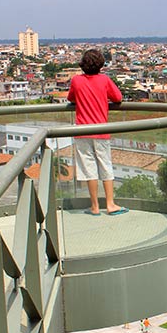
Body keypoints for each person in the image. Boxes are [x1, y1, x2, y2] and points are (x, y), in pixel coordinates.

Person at [67, 49, 127, 216]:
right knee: (105, 166)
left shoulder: (76, 81)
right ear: (101, 65)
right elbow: (118, 98)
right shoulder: (104, 80)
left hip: (82, 131)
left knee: (89, 169)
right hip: (101, 130)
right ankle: (110, 204)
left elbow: (70, 98)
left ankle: (94, 207)